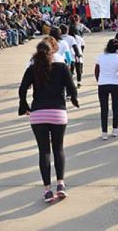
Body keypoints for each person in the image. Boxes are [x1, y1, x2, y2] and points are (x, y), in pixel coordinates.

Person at [18, 41, 79, 203]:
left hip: (38, 114)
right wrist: (74, 98)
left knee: (44, 151)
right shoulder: (61, 67)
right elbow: (72, 88)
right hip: (58, 113)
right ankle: (60, 185)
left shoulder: (32, 69)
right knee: (58, 149)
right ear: (52, 52)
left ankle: (47, 190)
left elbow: (22, 89)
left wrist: (23, 105)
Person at [95, 39, 118, 140]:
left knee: (104, 108)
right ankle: (115, 129)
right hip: (115, 83)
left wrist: (99, 79)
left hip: (103, 83)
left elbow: (96, 70)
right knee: (115, 106)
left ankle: (104, 132)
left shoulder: (101, 56)